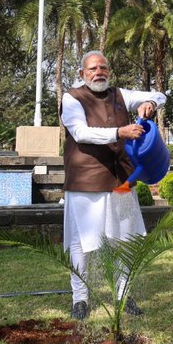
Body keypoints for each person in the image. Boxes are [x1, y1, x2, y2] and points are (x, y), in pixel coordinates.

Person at [61, 51, 165, 320]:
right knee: (81, 243)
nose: (99, 72)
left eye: (103, 67)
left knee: (124, 239)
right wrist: (120, 132)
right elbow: (81, 133)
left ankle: (124, 294)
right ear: (83, 74)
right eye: (93, 68)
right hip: (86, 179)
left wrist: (150, 103)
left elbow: (160, 95)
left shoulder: (120, 95)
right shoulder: (72, 98)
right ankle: (80, 300)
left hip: (120, 179)